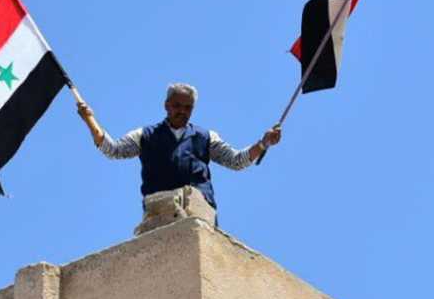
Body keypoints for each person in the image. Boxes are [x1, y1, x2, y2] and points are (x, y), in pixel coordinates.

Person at [76, 83, 281, 213]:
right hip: (160, 211)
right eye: (177, 106)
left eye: (187, 107)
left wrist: (263, 143)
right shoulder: (145, 135)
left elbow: (236, 161)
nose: (182, 111)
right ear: (166, 105)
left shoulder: (206, 137)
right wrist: (89, 119)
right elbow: (113, 150)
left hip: (198, 210)